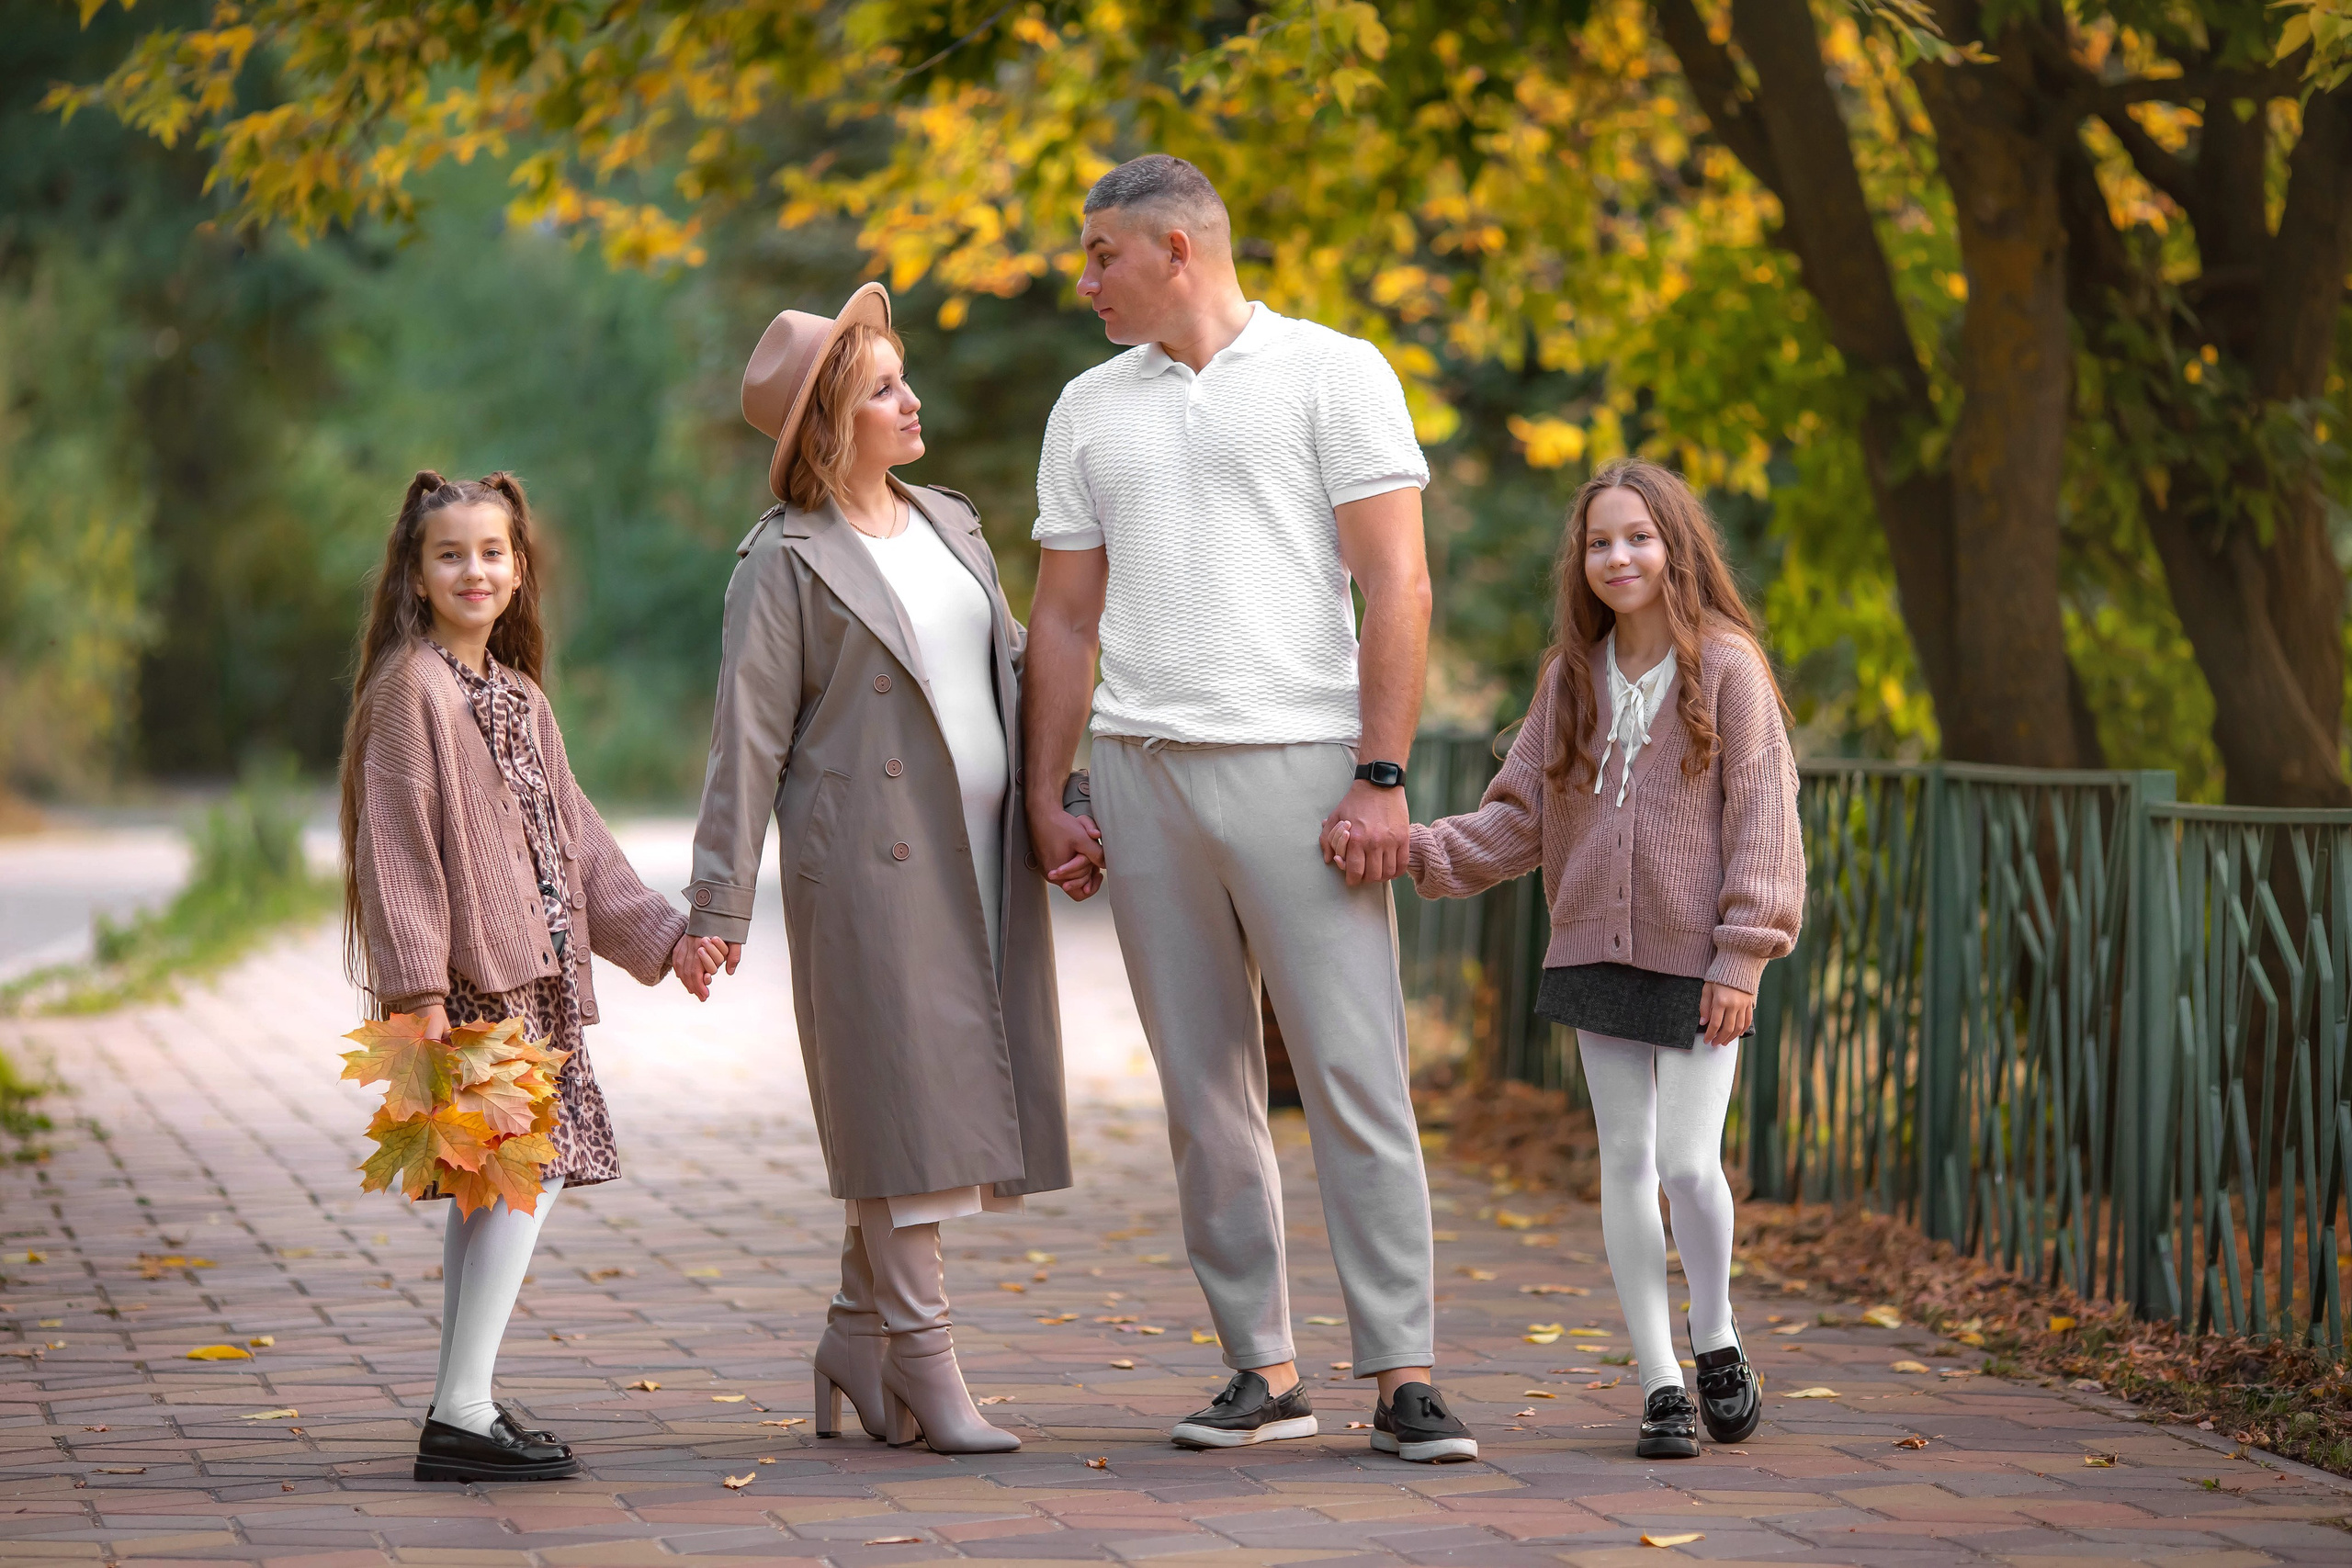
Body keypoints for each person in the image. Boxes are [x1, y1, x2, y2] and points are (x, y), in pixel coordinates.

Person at [1023, 153, 1476, 1463]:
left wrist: (1379, 773)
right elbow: (1062, 614)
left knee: (1354, 1072)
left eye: (1101, 253)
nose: (1085, 279)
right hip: (1145, 767)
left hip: (1305, 768)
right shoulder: (1088, 406)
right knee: (1202, 1086)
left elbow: (1399, 585)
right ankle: (1261, 1365)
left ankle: (1404, 1371)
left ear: (1175, 248)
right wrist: (1058, 789)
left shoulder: (1337, 372)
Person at [683, 283, 1069, 1456]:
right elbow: (744, 734)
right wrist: (716, 901)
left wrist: (1069, 797)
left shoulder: (952, 522)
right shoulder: (785, 561)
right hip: (866, 867)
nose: (912, 401)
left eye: (903, 379)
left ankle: (855, 1339)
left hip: (983, 862)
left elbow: (1011, 669)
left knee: (927, 1103)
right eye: (884, 389)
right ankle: (926, 1363)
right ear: (829, 427)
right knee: (899, 1108)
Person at [1392, 457, 1803, 1460]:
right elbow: (1517, 818)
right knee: (1623, 1164)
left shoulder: (1730, 668)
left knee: (1686, 1163)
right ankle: (1660, 1382)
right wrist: (1407, 851)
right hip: (1588, 952)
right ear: (1580, 563)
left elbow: (1764, 823)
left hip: (1700, 958)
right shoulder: (1568, 678)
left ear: (1675, 549)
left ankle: (1717, 1339)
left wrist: (1741, 958)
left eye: (1637, 537)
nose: (1617, 557)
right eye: (1598, 542)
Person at [343, 469, 727, 1483]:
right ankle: (460, 1407)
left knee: (498, 1186)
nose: (475, 569)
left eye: (493, 552)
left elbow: (584, 844)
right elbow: (398, 849)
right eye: (450, 553)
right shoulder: (410, 689)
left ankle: (459, 1401)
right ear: (415, 575)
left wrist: (666, 937)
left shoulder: (519, 698)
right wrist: (417, 992)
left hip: (536, 983)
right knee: (526, 1175)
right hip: (469, 986)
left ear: (519, 572)